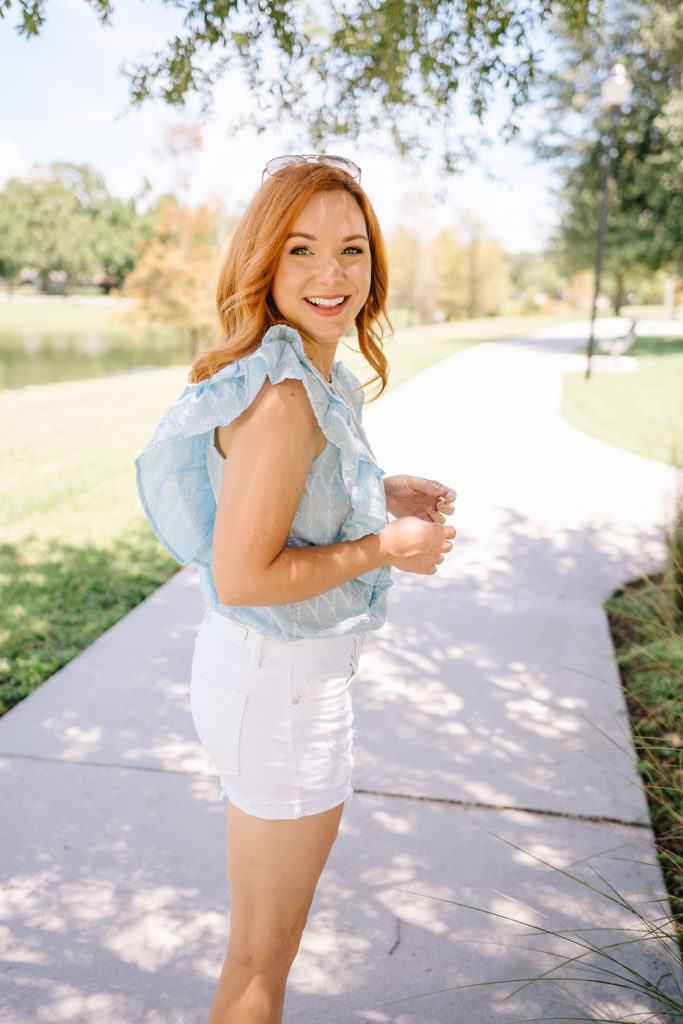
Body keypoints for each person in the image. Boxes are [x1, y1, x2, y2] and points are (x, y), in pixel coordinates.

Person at [136, 154, 456, 1024]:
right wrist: (385, 546)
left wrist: (377, 496)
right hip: (279, 693)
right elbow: (245, 575)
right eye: (302, 250)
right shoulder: (284, 396)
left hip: (278, 682)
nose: (331, 276)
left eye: (351, 251)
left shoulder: (310, 368)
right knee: (258, 965)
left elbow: (288, 501)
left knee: (263, 948)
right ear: (265, 262)